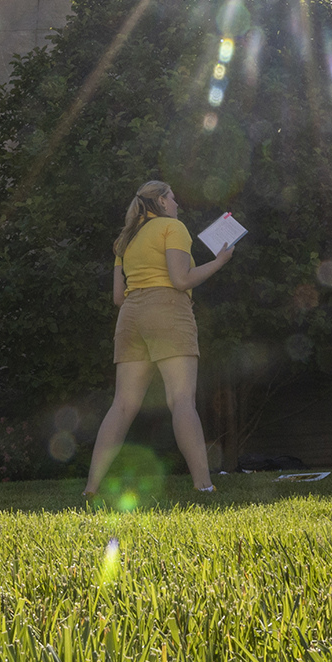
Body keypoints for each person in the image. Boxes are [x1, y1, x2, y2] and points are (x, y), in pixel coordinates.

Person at [83, 181, 232, 502]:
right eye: (174, 199)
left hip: (131, 316)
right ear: (162, 201)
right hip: (167, 311)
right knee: (181, 401)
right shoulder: (172, 227)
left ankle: (91, 488)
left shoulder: (125, 240)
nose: (178, 205)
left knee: (122, 405)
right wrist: (218, 262)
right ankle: (204, 485)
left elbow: (117, 298)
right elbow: (180, 280)